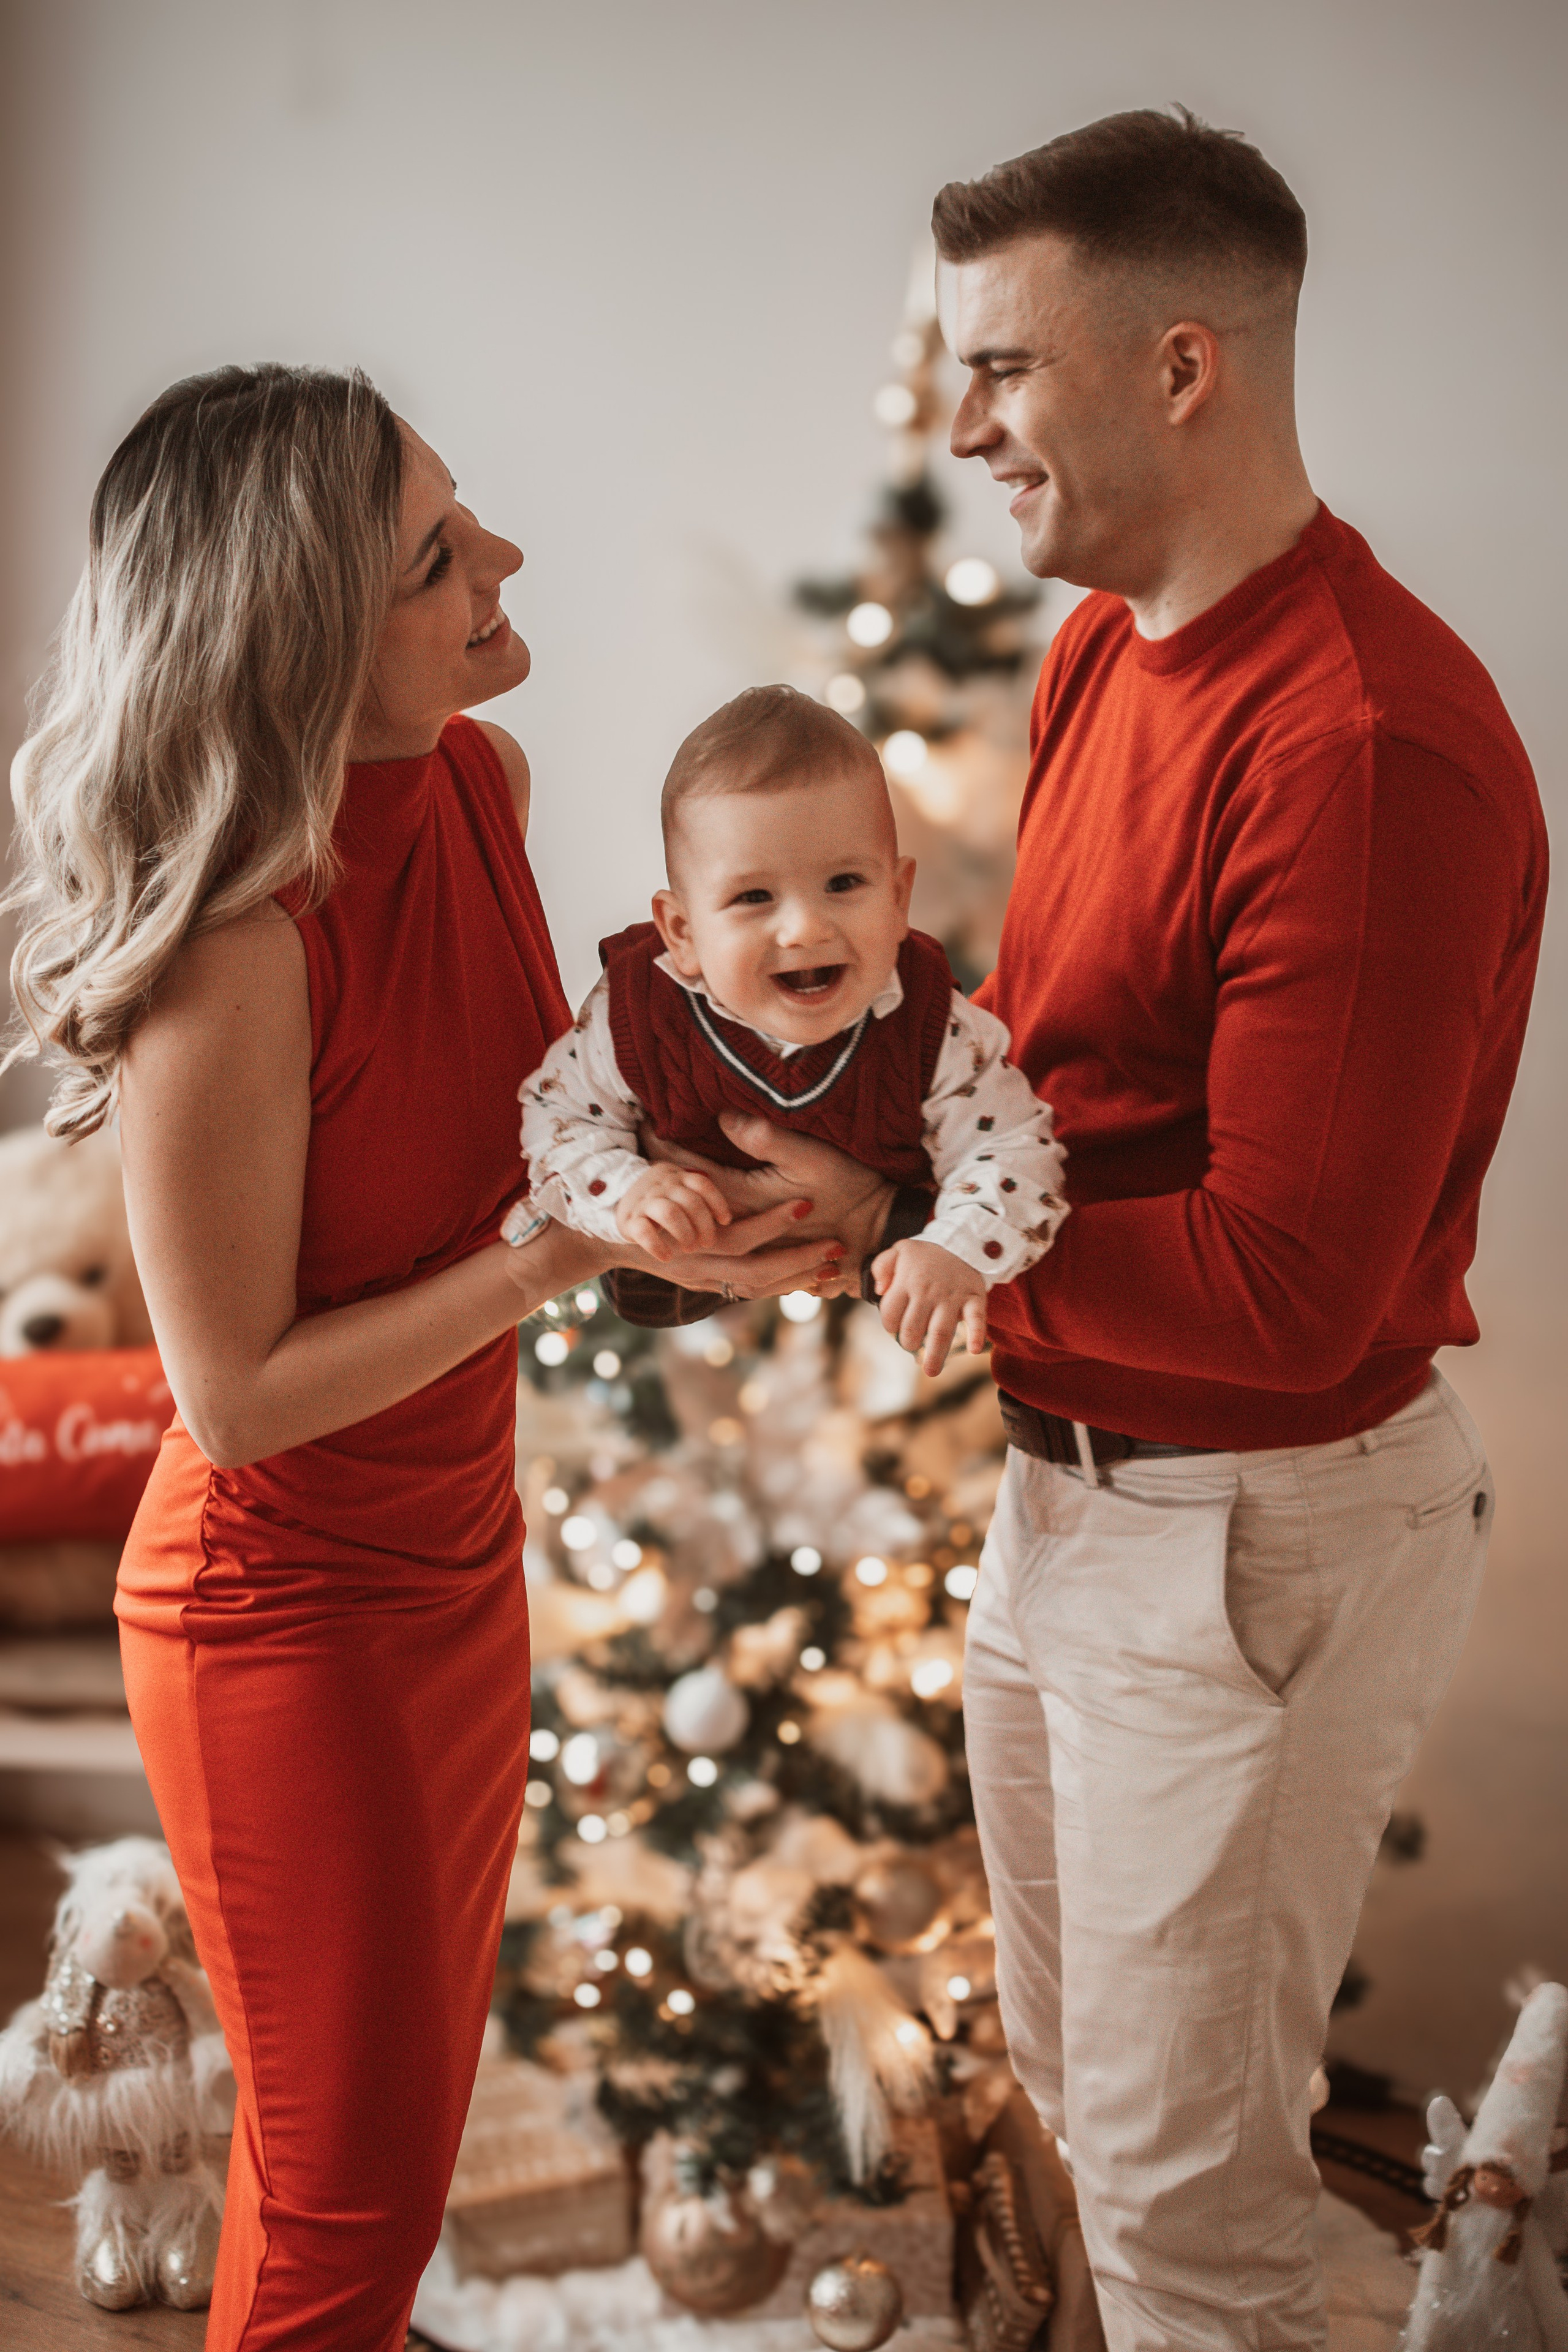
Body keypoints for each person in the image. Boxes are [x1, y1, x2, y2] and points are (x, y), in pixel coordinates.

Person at [655, 108, 1548, 2351]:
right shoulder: (1104, 657)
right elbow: (1045, 1092)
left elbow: (1277, 1289)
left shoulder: (1353, 742)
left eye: (1000, 369)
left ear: (1178, 368)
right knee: (1098, 2123)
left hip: (1241, 1521)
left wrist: (888, 1226)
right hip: (1066, 1501)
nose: (960, 429)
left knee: (1183, 2225)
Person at [2, 364, 838, 2346]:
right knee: (345, 2212)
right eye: (438, 556)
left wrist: (713, 1218)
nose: (505, 564)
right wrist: (553, 1261)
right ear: (301, 632)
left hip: (458, 1566)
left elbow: (519, 1141)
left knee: (371, 2154)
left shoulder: (480, 783)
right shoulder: (237, 954)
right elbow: (241, 1397)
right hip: (281, 1623)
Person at [516, 682, 1067, 1373]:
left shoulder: (933, 1026)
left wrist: (953, 1245)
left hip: (872, 1303)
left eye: (844, 884)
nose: (806, 928)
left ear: (898, 898)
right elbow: (555, 1116)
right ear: (681, 932)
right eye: (753, 897)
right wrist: (626, 1188)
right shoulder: (638, 1010)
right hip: (669, 1287)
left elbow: (1015, 1148)